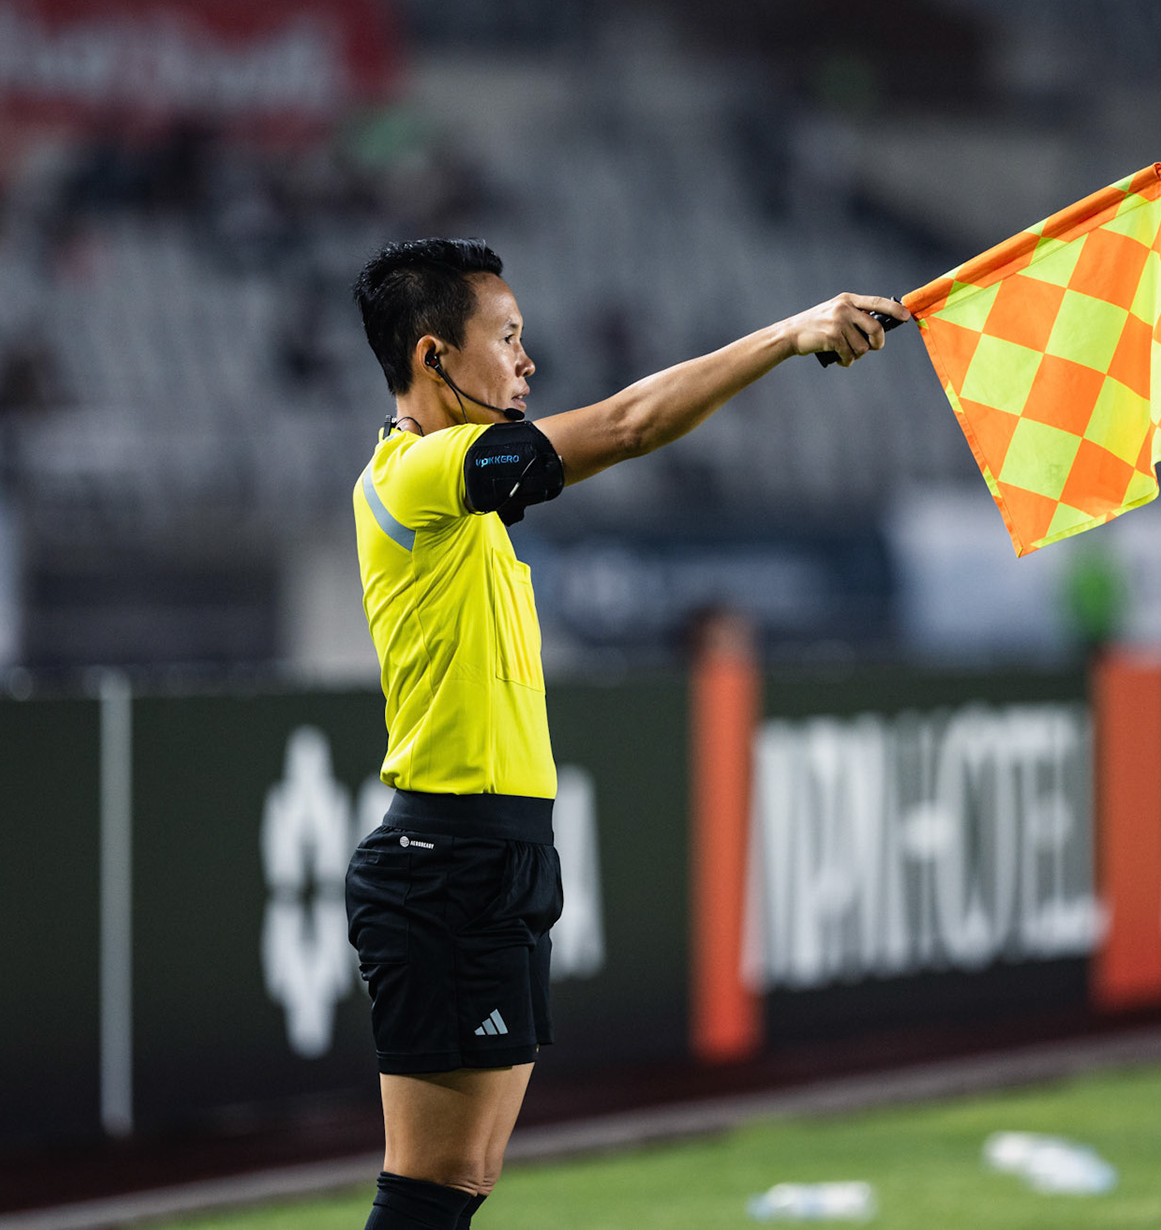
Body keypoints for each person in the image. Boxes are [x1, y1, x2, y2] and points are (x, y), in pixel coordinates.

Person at [345, 237, 907, 1229]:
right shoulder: (419, 473)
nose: (527, 361)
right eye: (507, 338)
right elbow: (630, 424)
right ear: (434, 357)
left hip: (498, 856)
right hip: (446, 861)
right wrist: (788, 334)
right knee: (427, 1185)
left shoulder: (464, 500)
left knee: (459, 1178)